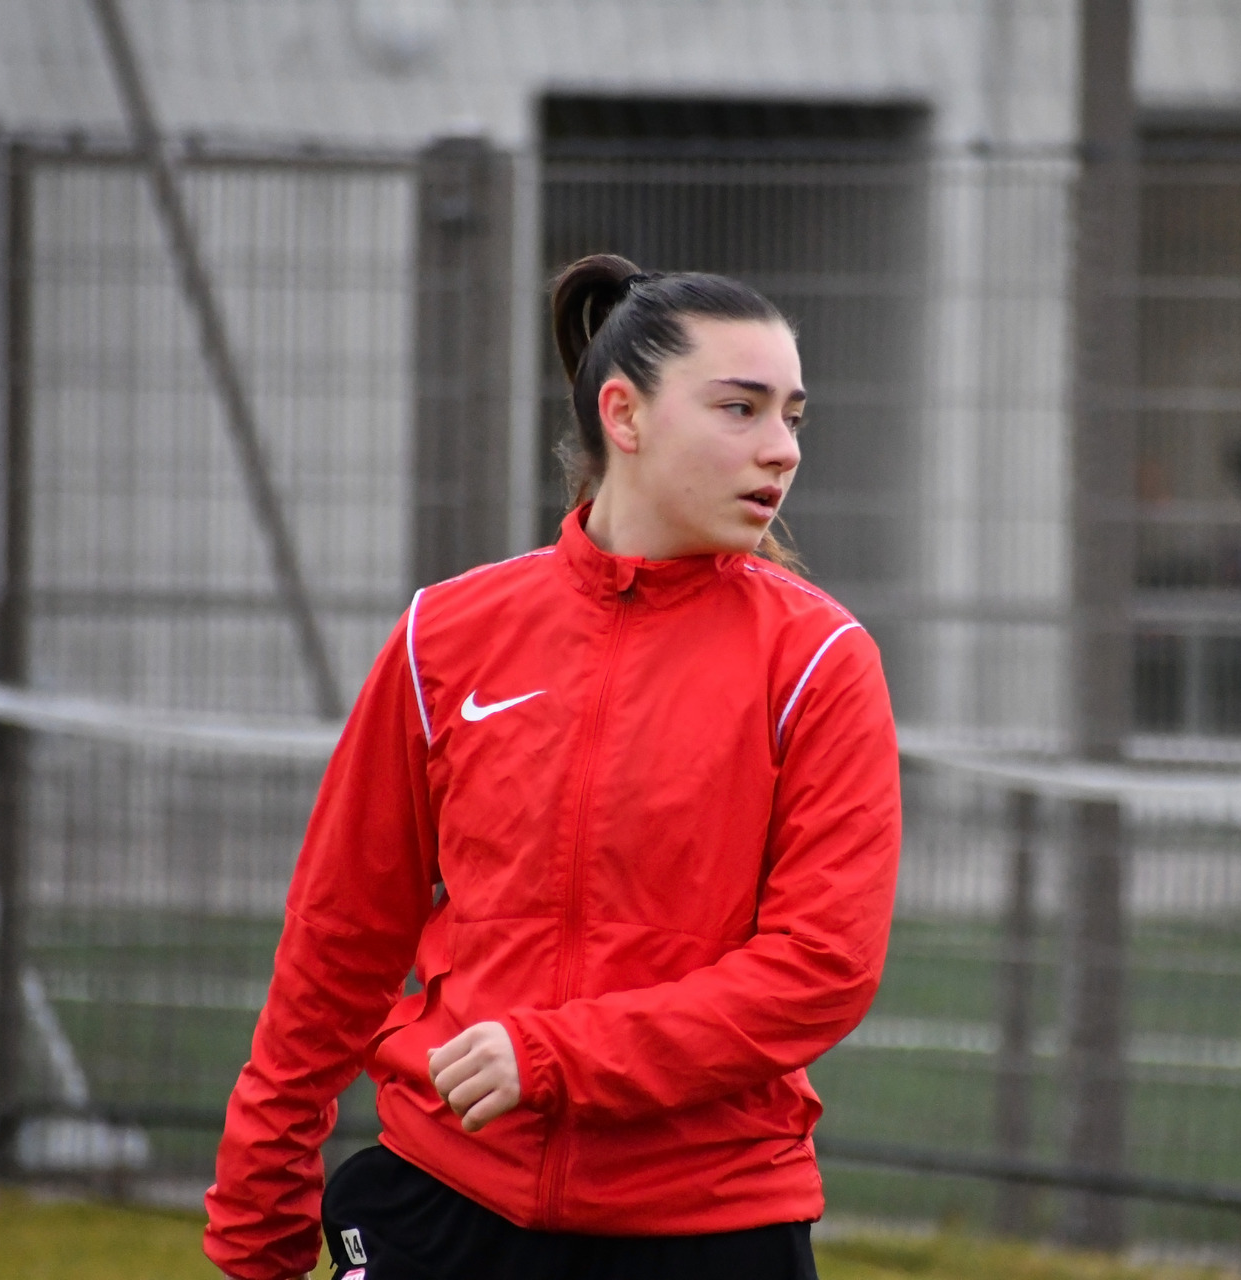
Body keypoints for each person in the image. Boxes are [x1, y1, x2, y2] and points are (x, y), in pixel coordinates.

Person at [203, 254, 902, 1280]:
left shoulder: (819, 662)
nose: (781, 448)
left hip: (710, 1226)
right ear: (625, 414)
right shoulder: (445, 633)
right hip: (444, 1198)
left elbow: (820, 969)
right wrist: (258, 1211)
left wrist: (552, 1055)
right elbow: (339, 935)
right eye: (741, 408)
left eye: (793, 416)